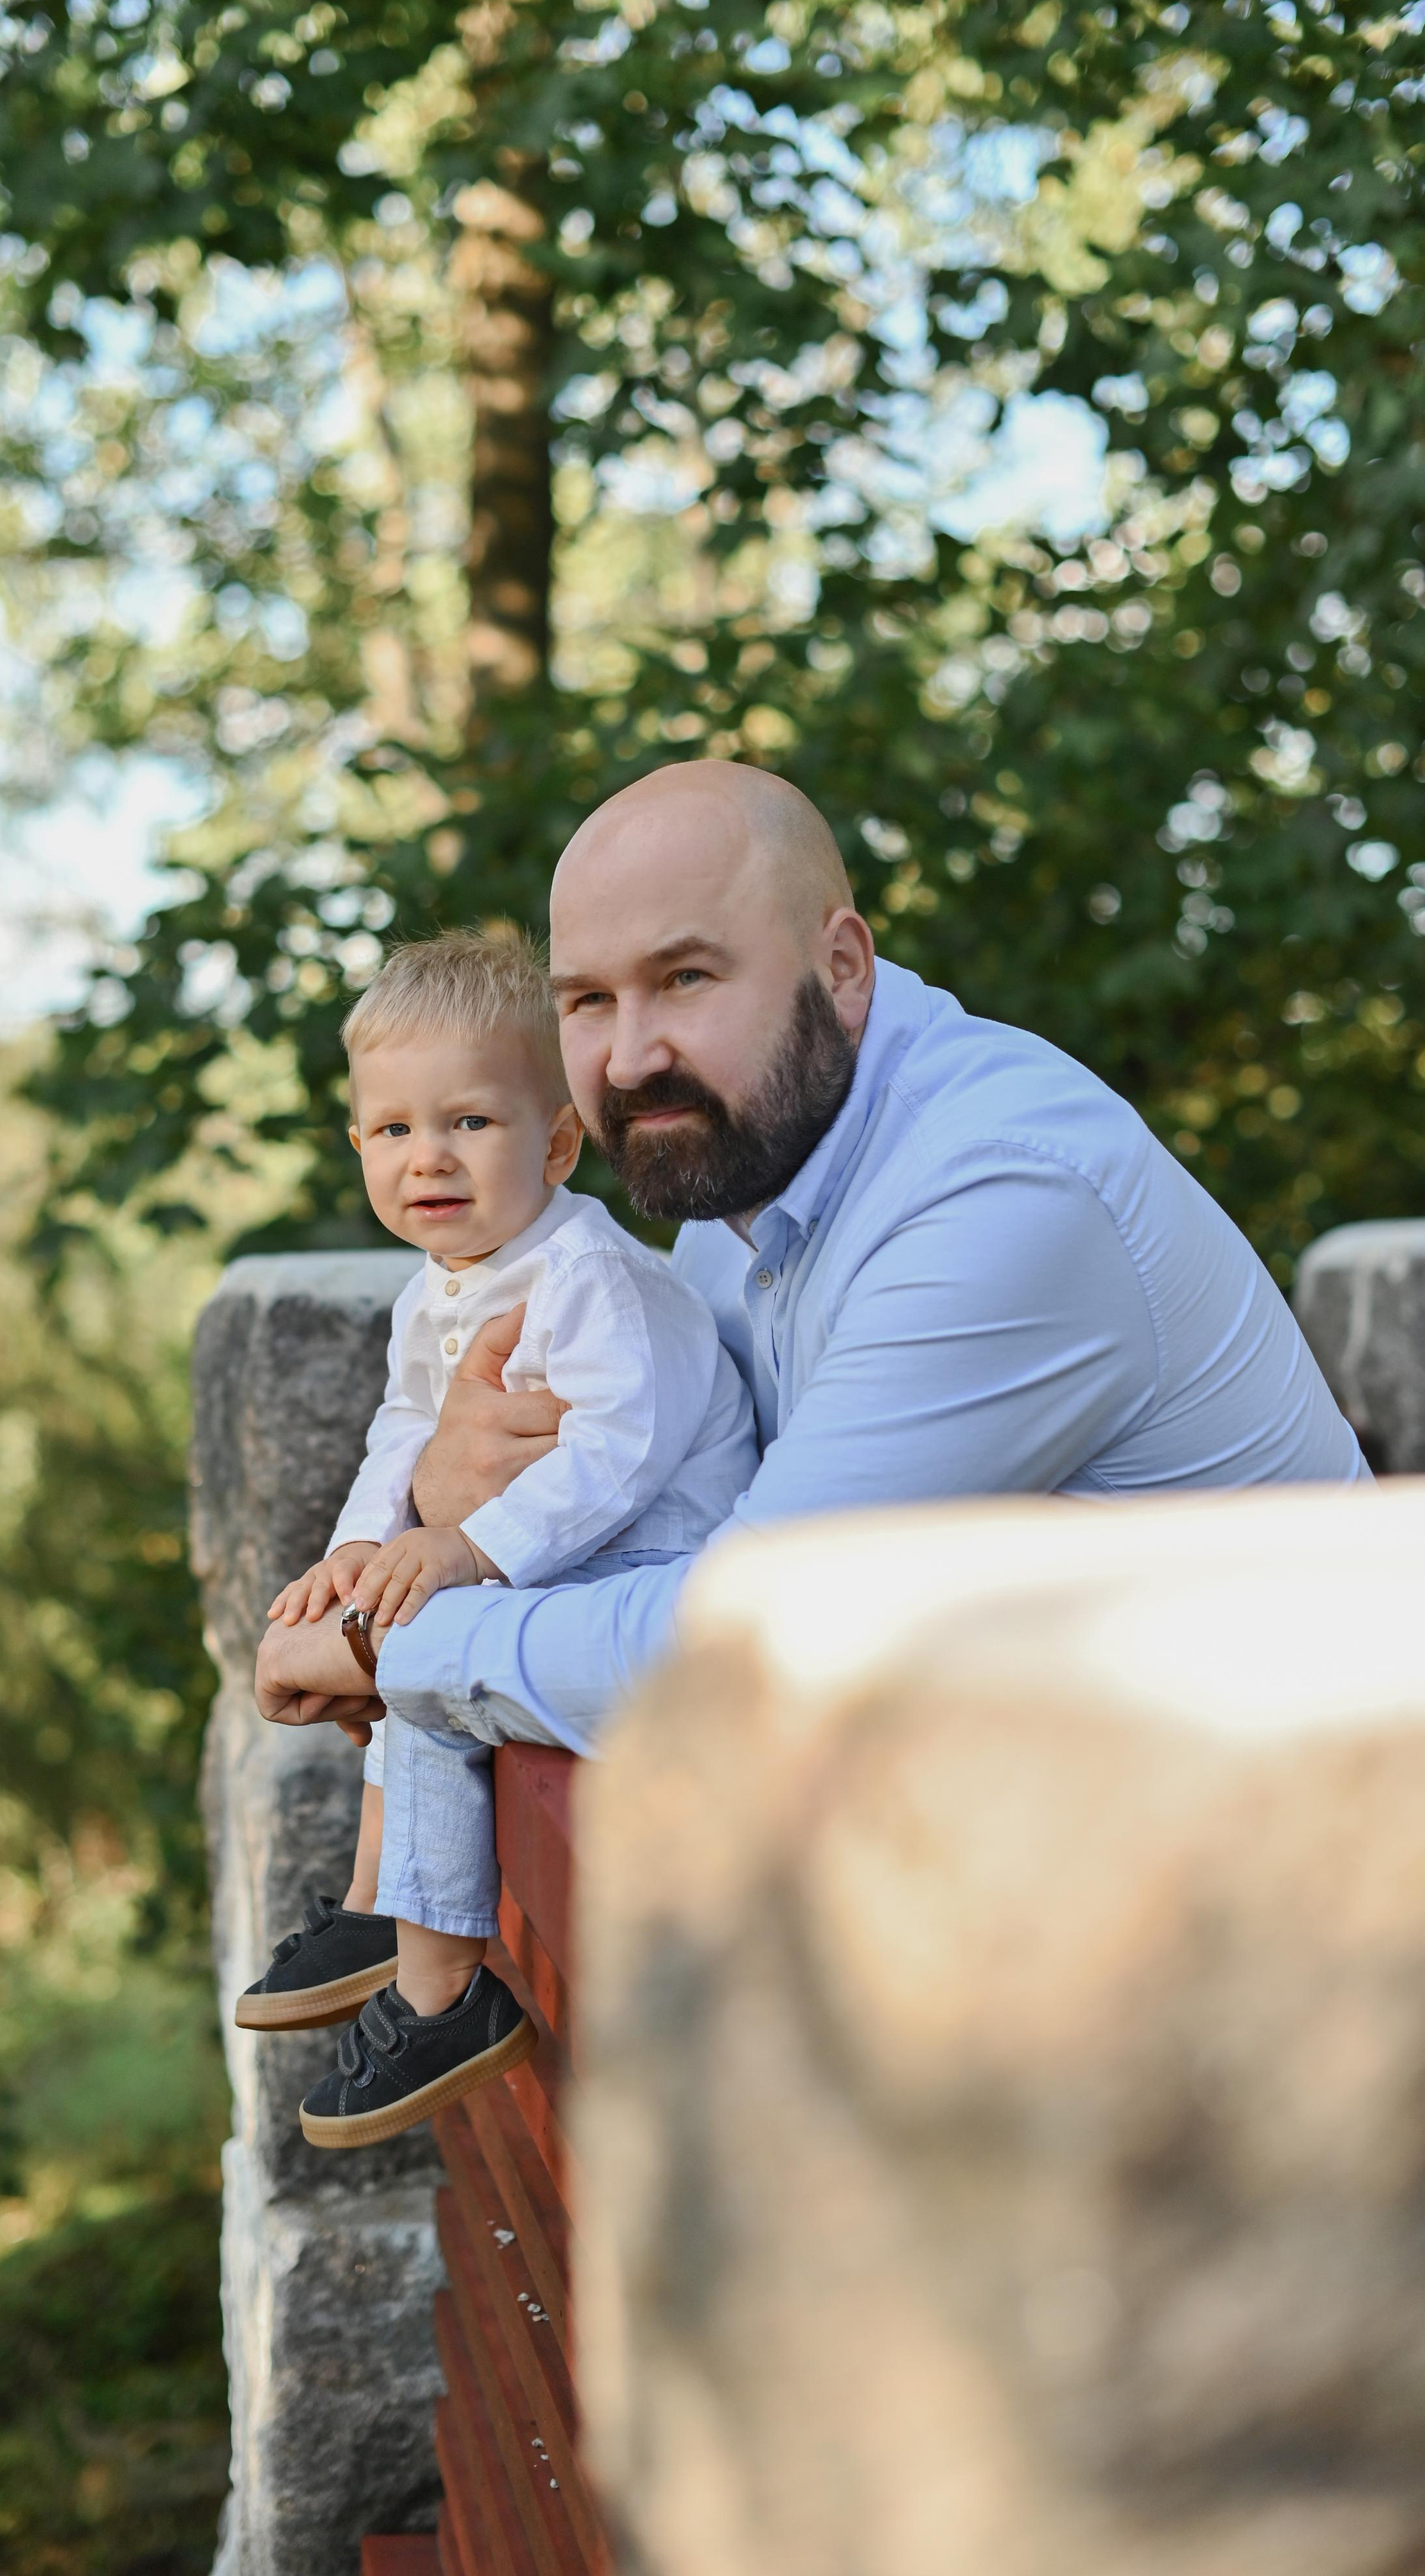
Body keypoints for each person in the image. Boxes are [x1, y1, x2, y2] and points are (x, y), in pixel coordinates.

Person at [254, 758, 1368, 1937]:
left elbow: (745, 1648)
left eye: (685, 978)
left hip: (1302, 1900)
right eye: (586, 1001)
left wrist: (390, 1643)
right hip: (1068, 1856)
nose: (629, 1058)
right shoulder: (740, 1192)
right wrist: (444, 1501)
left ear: (842, 966)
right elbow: (683, 1514)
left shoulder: (1000, 1197)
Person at [236, 926, 756, 2146]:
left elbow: (619, 1450)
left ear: (558, 1144)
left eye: (469, 1122)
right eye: (394, 1129)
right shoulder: (438, 1286)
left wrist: (469, 1551)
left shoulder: (590, 1276)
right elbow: (405, 1430)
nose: (429, 1156)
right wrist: (362, 1546)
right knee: (404, 1606)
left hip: (656, 1566)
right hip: (567, 1559)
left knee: (433, 1644)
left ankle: (444, 1998)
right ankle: (380, 1902)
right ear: (359, 1145)